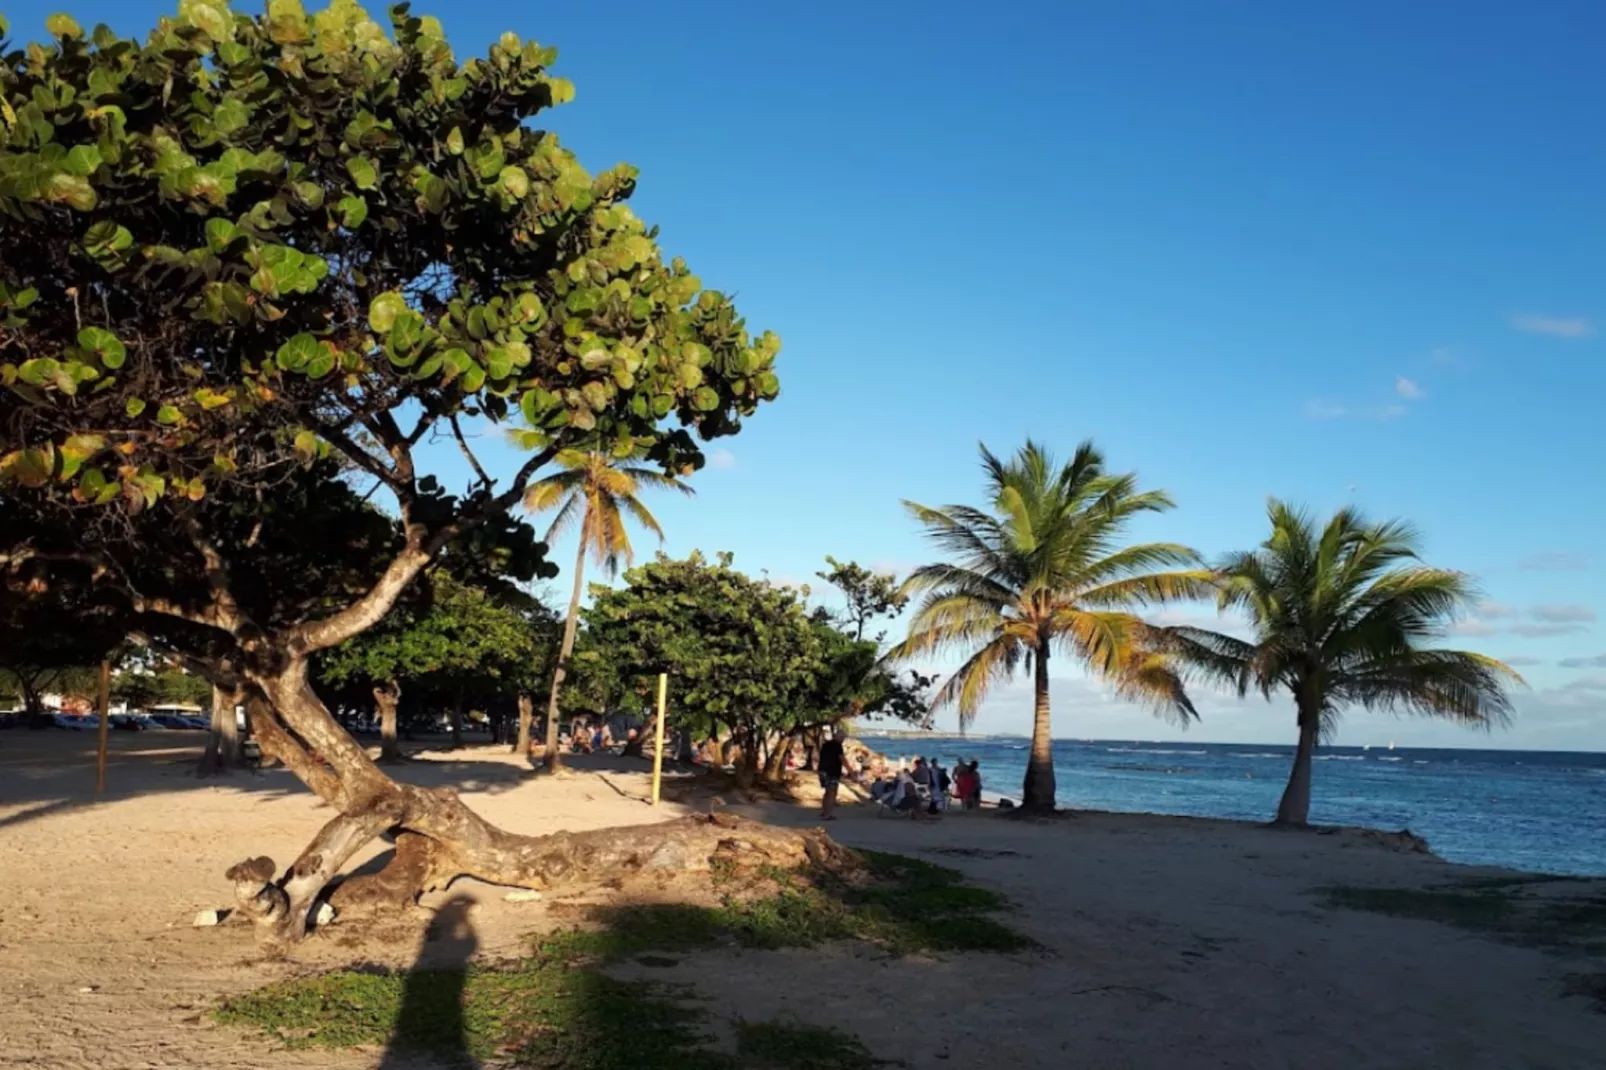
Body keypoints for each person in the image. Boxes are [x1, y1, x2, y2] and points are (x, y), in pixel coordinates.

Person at [817, 729, 845, 820]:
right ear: (837, 737)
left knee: (827, 792)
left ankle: (824, 812)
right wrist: (851, 771)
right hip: (832, 772)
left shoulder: (826, 745)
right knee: (832, 793)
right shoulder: (837, 746)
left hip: (823, 770)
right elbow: (842, 759)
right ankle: (827, 814)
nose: (843, 739)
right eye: (842, 737)